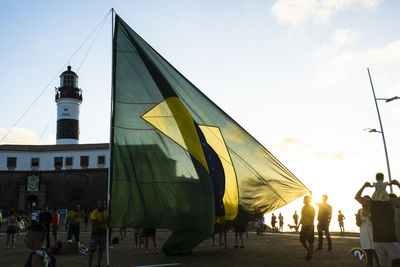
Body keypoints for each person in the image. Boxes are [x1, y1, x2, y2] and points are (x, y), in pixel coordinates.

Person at [355, 180, 400, 266]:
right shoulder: (391, 202)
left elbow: (357, 197)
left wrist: (364, 186)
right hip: (390, 239)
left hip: (377, 240)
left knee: (382, 263)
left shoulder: (371, 203)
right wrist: (397, 184)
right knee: (396, 260)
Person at [356, 196, 378, 267]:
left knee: (377, 256)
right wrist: (357, 219)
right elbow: (358, 224)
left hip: (374, 234)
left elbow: (379, 222)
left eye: (367, 200)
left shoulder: (374, 210)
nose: (366, 202)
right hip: (364, 235)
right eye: (364, 200)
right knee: (368, 256)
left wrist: (373, 219)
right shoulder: (360, 211)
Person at [89, 201, 107, 267]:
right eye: (101, 204)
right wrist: (103, 221)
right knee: (92, 250)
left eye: (104, 204)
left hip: (103, 233)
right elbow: (94, 223)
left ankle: (99, 264)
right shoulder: (95, 212)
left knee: (101, 249)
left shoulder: (106, 212)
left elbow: (107, 222)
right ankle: (89, 265)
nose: (103, 206)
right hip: (95, 233)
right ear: (98, 205)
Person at [299, 195, 315, 261]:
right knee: (302, 240)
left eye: (305, 199)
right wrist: (298, 224)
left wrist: (311, 226)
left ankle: (309, 255)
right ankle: (309, 251)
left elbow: (312, 218)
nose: (304, 200)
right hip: (304, 226)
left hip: (309, 226)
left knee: (310, 242)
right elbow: (302, 216)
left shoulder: (311, 208)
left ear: (308, 200)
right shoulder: (303, 207)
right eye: (304, 199)